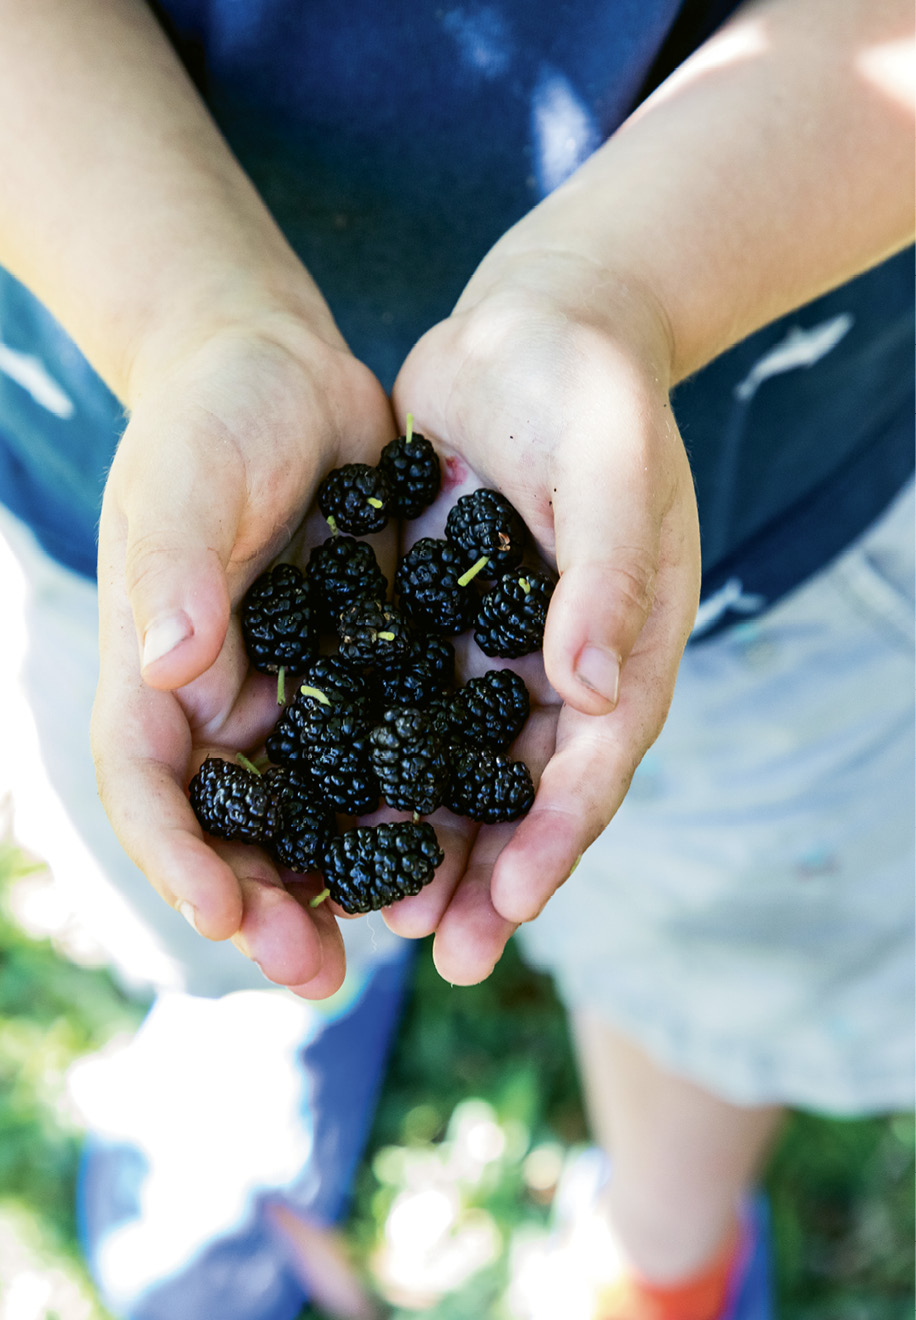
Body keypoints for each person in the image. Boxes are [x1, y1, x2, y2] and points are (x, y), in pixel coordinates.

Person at [0, 0, 912, 1317]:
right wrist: (189, 319)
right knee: (214, 857)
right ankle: (266, 1018)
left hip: (778, 481)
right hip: (130, 414)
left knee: (733, 932)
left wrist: (617, 299)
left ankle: (665, 1243)